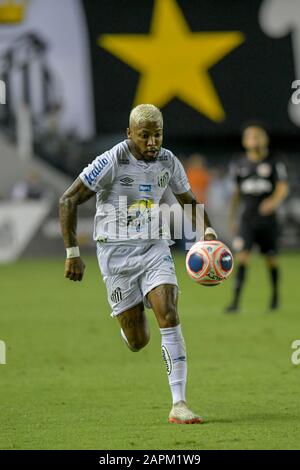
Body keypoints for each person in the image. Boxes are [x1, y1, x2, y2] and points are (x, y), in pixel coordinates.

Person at [59, 104, 217, 424]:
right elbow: (68, 199)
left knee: (169, 313)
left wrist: (209, 232)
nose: (152, 142)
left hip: (153, 247)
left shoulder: (168, 161)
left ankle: (179, 404)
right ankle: (129, 320)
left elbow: (188, 200)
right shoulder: (112, 161)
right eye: (144, 136)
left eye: (157, 135)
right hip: (115, 256)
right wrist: (72, 252)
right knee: (138, 341)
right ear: (129, 133)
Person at [225, 122, 289, 313]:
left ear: (264, 139)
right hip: (247, 219)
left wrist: (273, 202)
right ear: (245, 141)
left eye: (257, 136)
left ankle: (275, 297)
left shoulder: (274, 161)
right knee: (242, 257)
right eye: (250, 136)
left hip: (268, 220)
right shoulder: (239, 163)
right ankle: (235, 302)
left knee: (271, 259)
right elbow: (236, 192)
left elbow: (283, 186)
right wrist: (232, 216)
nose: (253, 139)